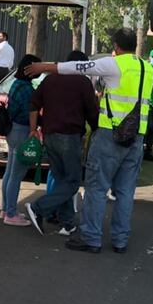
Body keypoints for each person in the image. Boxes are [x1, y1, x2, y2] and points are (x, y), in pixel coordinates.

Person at [26, 28, 153, 254]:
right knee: (125, 191)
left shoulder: (113, 64)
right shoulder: (148, 68)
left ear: (115, 46)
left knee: (97, 187)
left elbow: (75, 67)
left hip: (109, 135)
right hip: (136, 137)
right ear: (135, 44)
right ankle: (120, 240)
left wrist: (42, 67)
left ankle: (91, 238)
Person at [24, 51, 98, 236]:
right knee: (72, 182)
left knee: (61, 180)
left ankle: (67, 223)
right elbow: (92, 112)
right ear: (81, 66)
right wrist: (97, 128)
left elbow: (33, 104)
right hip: (70, 136)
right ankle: (38, 207)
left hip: (49, 135)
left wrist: (33, 130)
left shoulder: (50, 80)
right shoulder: (83, 83)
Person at [0, 54, 42, 227]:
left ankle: (6, 209)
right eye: (38, 67)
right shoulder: (27, 90)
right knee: (16, 174)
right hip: (22, 130)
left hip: (12, 130)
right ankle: (11, 213)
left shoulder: (16, 84)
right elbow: (29, 113)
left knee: (9, 172)